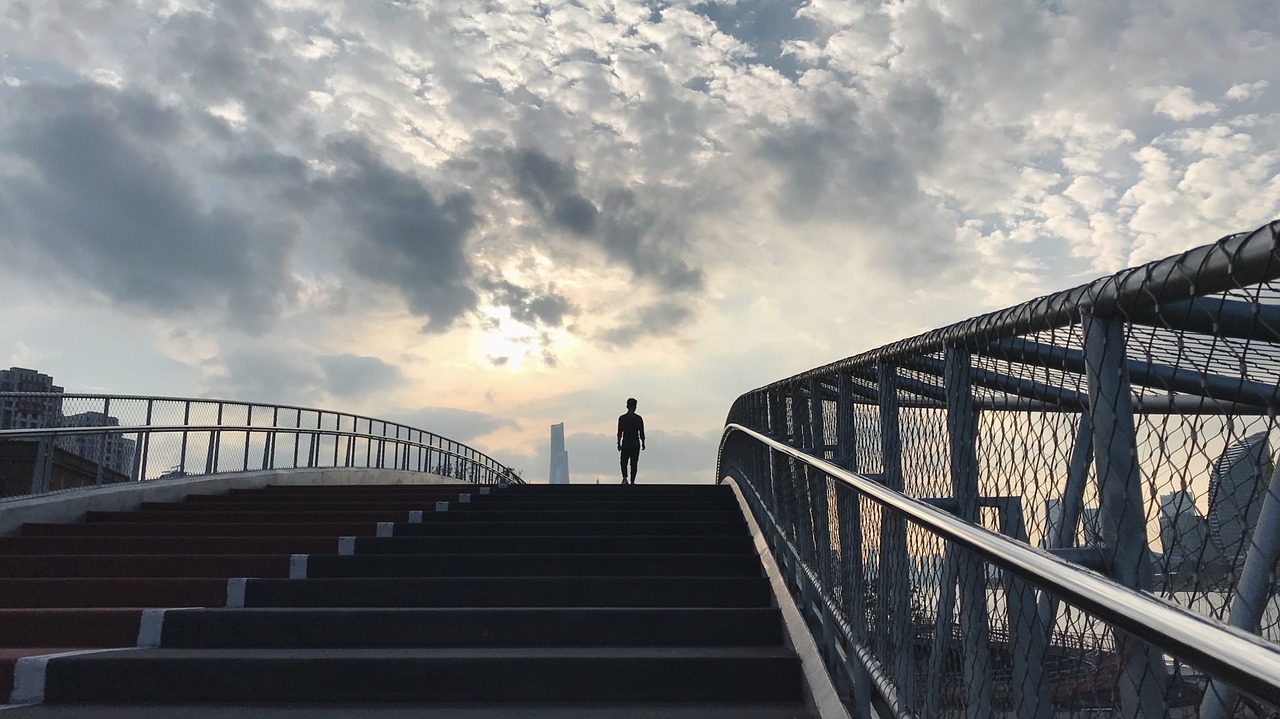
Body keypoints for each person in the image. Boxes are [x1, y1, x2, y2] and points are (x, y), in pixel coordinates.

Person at [616, 397, 645, 484]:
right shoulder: (638, 418)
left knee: (623, 462)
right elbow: (641, 432)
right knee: (634, 463)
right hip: (635, 443)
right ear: (635, 407)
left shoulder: (622, 418)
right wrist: (643, 442)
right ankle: (632, 481)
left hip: (626, 443)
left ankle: (625, 478)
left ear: (627, 406)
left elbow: (619, 432)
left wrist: (618, 443)